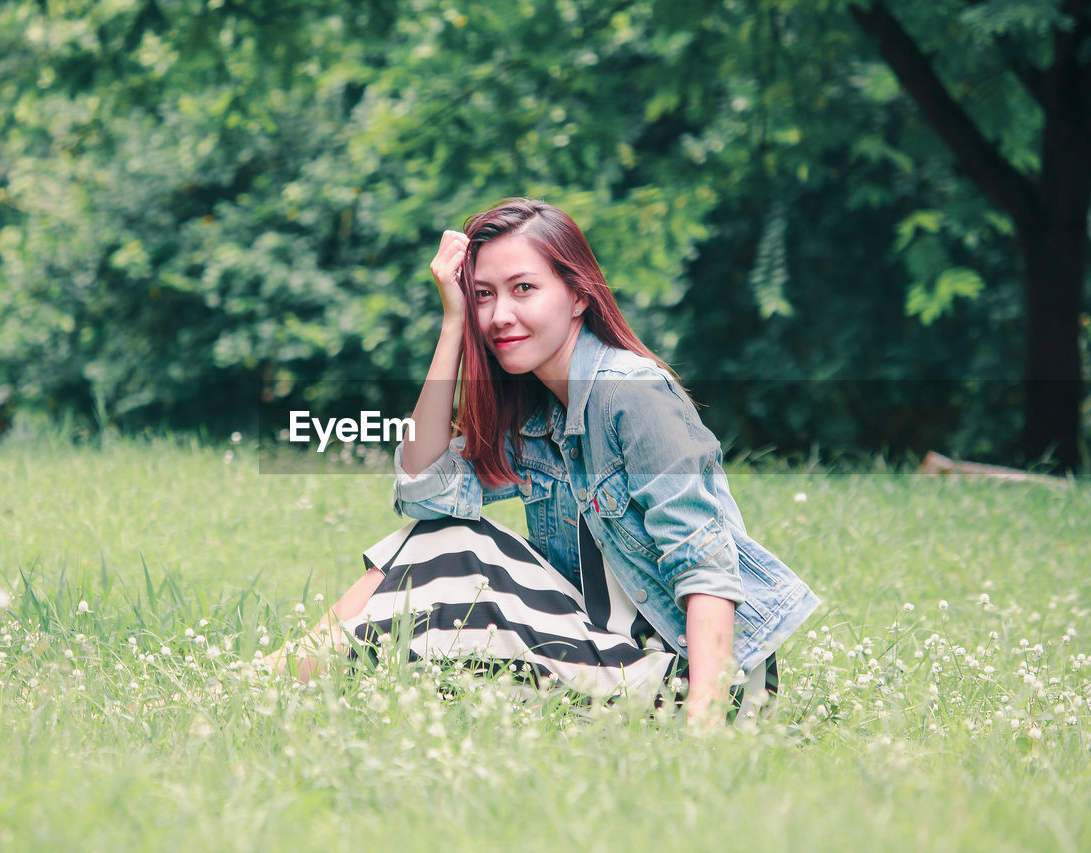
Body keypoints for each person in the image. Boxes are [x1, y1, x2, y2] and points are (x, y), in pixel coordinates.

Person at [272, 198, 820, 726]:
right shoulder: (536, 414)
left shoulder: (632, 394)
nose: (499, 315)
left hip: (693, 678)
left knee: (450, 547)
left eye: (524, 289)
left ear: (578, 296)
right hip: (609, 654)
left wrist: (704, 727)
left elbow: (704, 572)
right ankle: (280, 678)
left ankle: (274, 681)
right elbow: (425, 491)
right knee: (430, 535)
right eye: (483, 295)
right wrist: (451, 327)